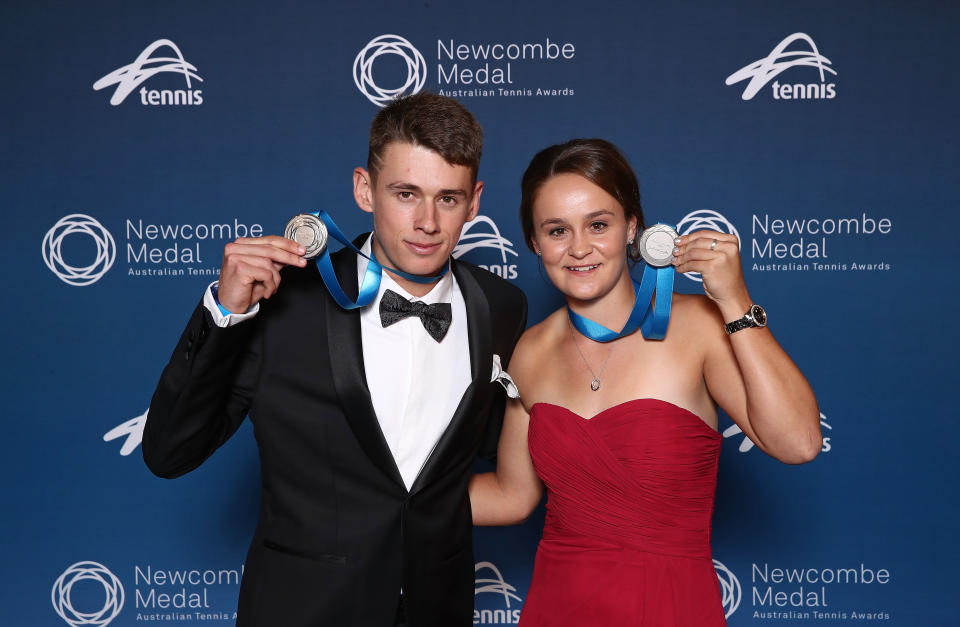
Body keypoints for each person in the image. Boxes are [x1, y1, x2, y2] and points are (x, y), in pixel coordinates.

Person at [143, 93, 527, 627]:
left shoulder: (503, 306)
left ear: (475, 201)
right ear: (364, 189)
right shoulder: (284, 300)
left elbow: (474, 457)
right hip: (303, 610)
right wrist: (225, 313)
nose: (426, 222)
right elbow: (169, 452)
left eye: (448, 198)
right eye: (405, 193)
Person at [468, 139, 821, 625]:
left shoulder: (698, 325)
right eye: (556, 230)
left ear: (632, 227)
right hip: (557, 607)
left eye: (598, 224)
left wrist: (735, 301)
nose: (578, 248)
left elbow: (799, 443)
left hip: (671, 607)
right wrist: (378, 500)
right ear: (533, 242)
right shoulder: (529, 351)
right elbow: (512, 495)